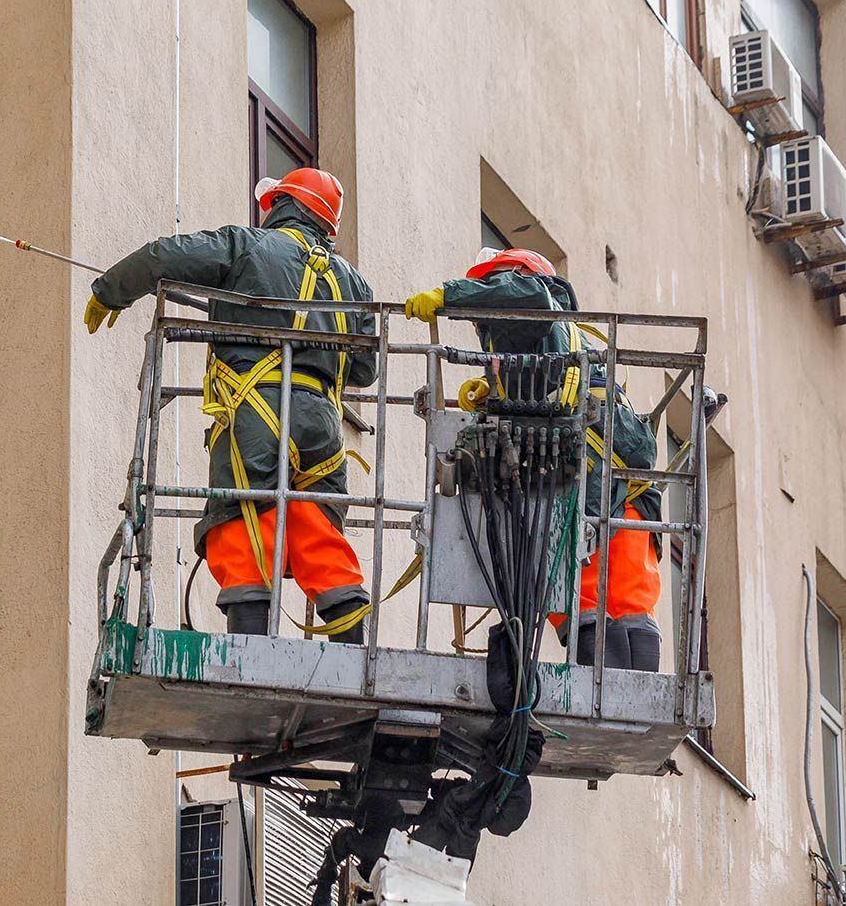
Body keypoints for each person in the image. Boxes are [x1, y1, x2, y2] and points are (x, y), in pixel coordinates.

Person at [84, 168, 378, 640]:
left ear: (282, 206)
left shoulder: (248, 246)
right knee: (312, 522)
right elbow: (366, 371)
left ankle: (251, 645)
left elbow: (166, 255)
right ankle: (350, 647)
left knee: (241, 519)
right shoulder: (353, 284)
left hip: (255, 411)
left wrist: (108, 291)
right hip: (322, 423)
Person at [403, 247, 663, 671]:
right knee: (629, 601)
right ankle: (634, 691)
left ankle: (604, 692)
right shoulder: (573, 339)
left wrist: (449, 295)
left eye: (492, 285)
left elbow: (520, 296)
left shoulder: (533, 299)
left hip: (583, 487)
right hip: (629, 493)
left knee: (569, 593)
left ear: (518, 275)